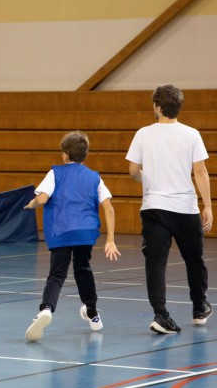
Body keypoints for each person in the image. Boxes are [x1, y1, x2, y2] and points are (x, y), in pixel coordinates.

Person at [126, 84, 213, 334]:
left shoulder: (143, 134)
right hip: (185, 208)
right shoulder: (192, 134)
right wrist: (207, 206)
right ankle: (199, 307)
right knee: (194, 260)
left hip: (154, 209)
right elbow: (200, 171)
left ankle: (161, 315)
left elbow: (133, 170)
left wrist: (146, 178)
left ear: (157, 107)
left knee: (155, 263)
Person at [24, 131, 120, 342]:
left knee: (57, 274)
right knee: (82, 269)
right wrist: (110, 239)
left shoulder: (55, 173)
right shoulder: (95, 177)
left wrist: (33, 203)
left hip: (62, 230)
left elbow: (43, 197)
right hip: (85, 232)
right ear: (85, 155)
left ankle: (46, 309)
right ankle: (92, 312)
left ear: (65, 155)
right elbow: (108, 208)